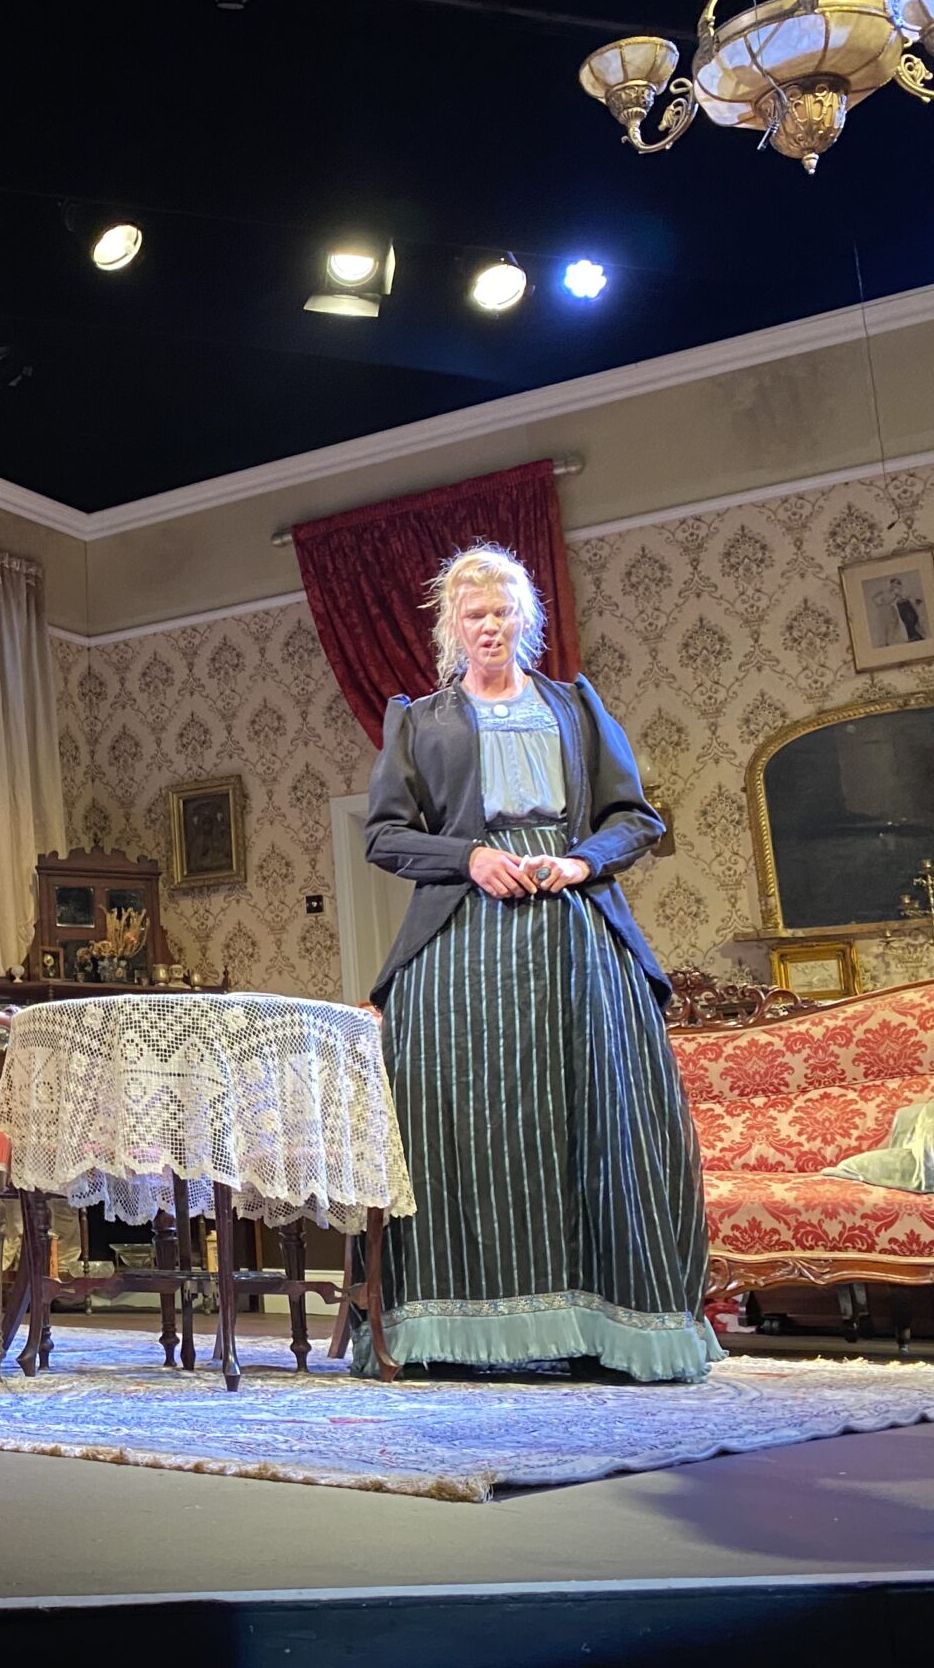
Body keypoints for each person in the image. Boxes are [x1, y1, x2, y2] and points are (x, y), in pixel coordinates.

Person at [359, 542, 719, 1382]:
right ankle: (451, 1334)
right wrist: (469, 857)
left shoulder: (576, 707)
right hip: (459, 944)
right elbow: (384, 835)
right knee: (459, 1124)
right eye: (473, 615)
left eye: (502, 612)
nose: (489, 626)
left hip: (575, 935)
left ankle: (610, 1330)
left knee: (595, 1118)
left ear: (525, 621)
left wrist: (582, 861)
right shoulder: (418, 720)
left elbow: (636, 818)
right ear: (451, 627)